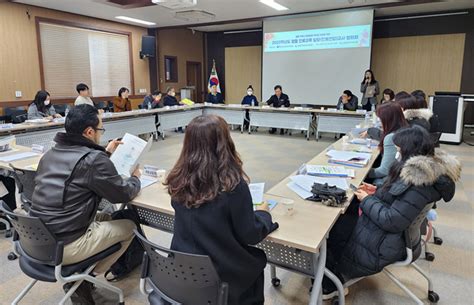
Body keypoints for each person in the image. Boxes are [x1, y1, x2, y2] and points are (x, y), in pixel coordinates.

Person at [322, 126, 460, 300]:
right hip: (396, 236)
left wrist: (367, 200)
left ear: (409, 151)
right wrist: (377, 190)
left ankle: (330, 285)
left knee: (330, 229)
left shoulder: (419, 185)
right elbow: (400, 199)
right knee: (343, 215)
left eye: (398, 150)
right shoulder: (424, 174)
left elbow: (391, 220)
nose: (396, 153)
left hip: (385, 243)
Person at [29, 104, 141, 304]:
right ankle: (83, 278)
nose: (101, 134)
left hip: (36, 239)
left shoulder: (50, 154)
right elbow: (122, 194)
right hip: (65, 245)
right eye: (100, 130)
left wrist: (105, 152)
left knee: (109, 217)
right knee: (130, 227)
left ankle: (82, 275)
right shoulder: (93, 159)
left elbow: (81, 172)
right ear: (89, 132)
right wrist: (134, 178)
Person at [165, 115, 278, 305]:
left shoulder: (178, 180)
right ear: (224, 143)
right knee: (255, 264)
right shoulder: (233, 186)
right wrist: (264, 214)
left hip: (184, 270)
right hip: (222, 277)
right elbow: (250, 235)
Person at [367, 102, 408, 186]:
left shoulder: (391, 137)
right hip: (402, 177)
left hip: (390, 181)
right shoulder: (405, 129)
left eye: (380, 119)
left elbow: (384, 171)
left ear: (388, 119)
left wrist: (362, 173)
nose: (379, 122)